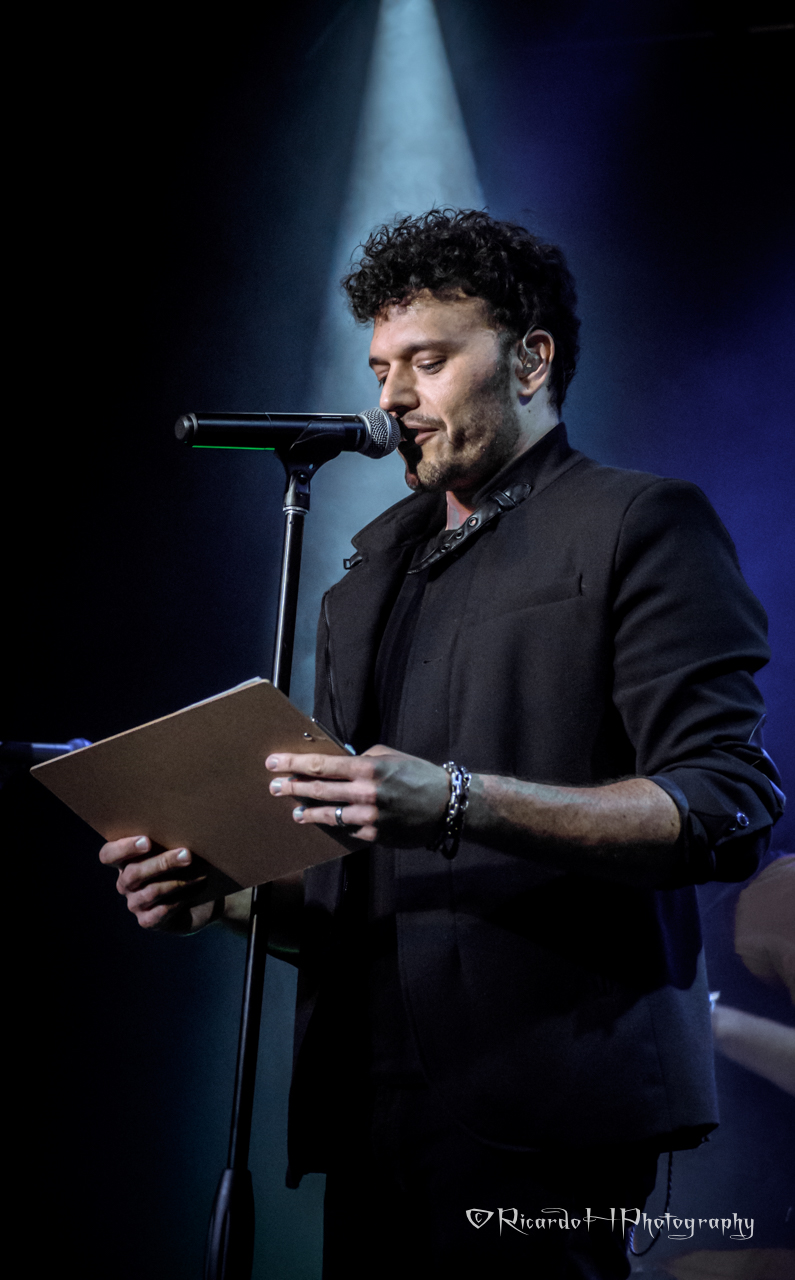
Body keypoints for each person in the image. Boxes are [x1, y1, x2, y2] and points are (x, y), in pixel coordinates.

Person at [100, 210, 784, 1278]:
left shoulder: (639, 522)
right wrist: (231, 898)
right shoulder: (366, 579)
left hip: (551, 1095)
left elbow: (726, 803)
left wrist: (460, 799)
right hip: (365, 1101)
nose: (390, 397)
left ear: (529, 360)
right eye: (381, 367)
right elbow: (369, 881)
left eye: (427, 361)